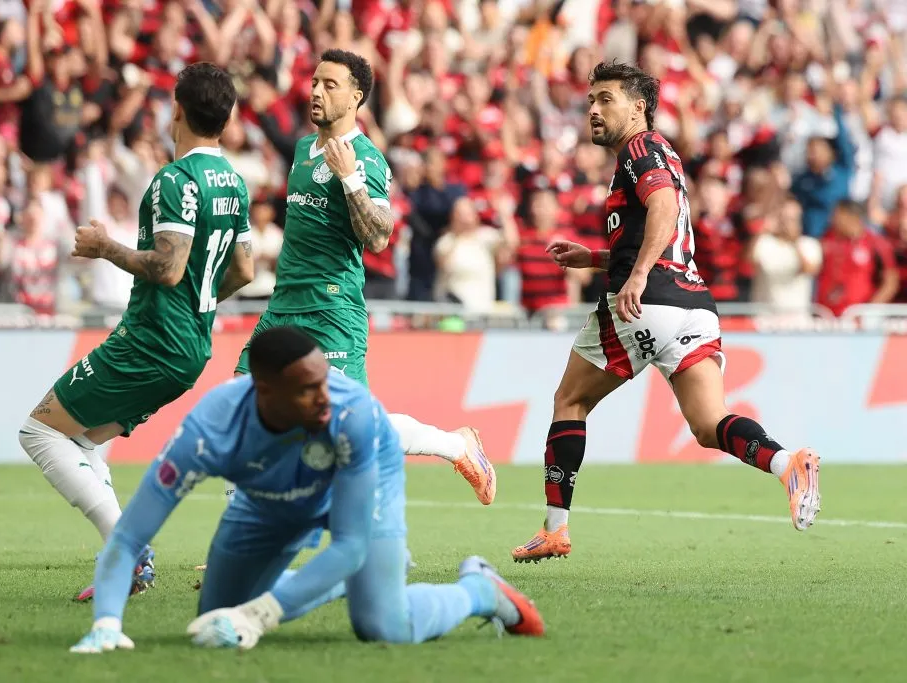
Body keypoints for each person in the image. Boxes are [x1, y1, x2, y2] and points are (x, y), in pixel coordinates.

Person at [510, 62, 822, 564]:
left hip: (647, 299)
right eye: (590, 100)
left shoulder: (640, 148)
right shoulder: (659, 155)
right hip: (693, 305)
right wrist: (596, 258)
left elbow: (664, 211)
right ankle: (790, 464)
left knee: (569, 400)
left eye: (605, 99)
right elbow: (662, 233)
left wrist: (633, 278)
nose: (593, 109)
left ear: (638, 108)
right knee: (708, 424)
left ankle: (555, 529)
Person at [69, 327, 544, 654]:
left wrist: (263, 614)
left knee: (384, 625)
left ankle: (479, 590)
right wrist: (106, 625)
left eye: (325, 381)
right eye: (308, 388)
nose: (326, 396)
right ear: (264, 392)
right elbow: (130, 535)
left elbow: (352, 542)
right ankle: (340, 580)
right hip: (266, 503)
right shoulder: (209, 431)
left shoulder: (354, 415)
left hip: (350, 497)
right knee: (216, 617)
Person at [16, 62, 255, 599]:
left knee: (39, 432)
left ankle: (128, 548)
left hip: (151, 340)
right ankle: (125, 559)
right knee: (80, 440)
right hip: (191, 345)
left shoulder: (177, 180)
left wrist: (105, 248)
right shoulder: (233, 182)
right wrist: (200, 302)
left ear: (176, 110)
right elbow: (244, 270)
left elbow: (169, 268)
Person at [232, 49, 496, 506]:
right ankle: (239, 540)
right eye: (314, 82)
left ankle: (456, 446)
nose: (316, 91)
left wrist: (350, 179)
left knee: (351, 425)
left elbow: (377, 237)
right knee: (242, 409)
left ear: (356, 97)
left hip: (332, 310)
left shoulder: (367, 160)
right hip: (283, 307)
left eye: (329, 85)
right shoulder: (301, 149)